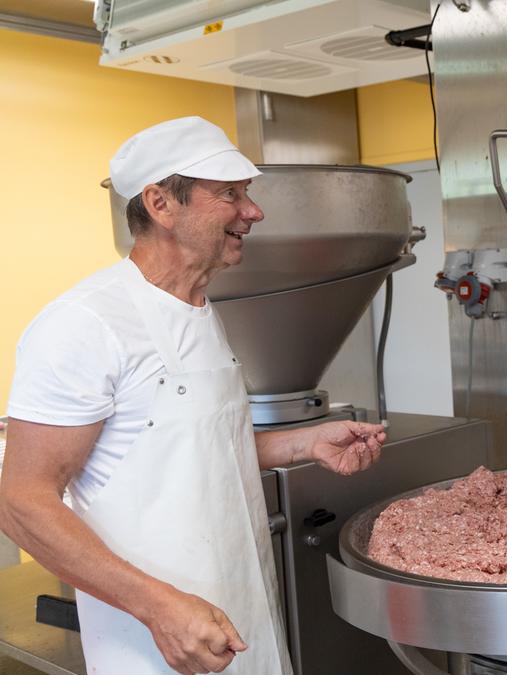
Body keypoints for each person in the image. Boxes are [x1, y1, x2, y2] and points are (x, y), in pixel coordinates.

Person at [0, 117, 387, 675]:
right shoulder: (84, 322)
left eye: (247, 194)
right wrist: (159, 610)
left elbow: (192, 448)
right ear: (160, 204)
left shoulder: (202, 309)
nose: (252, 212)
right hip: (157, 641)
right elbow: (21, 502)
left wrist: (305, 443)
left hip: (239, 613)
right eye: (229, 194)